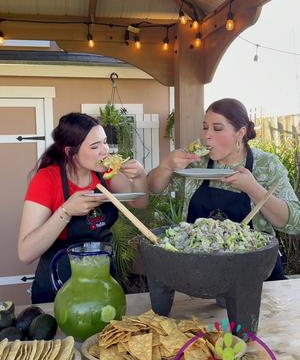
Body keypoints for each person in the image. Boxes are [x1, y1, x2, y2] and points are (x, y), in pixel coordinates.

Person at [148, 98, 300, 280]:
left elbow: (294, 223)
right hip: (200, 272)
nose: (206, 136)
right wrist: (166, 165)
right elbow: (154, 188)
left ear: (240, 132)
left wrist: (253, 189)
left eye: (217, 128)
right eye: (205, 127)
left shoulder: (266, 165)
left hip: (255, 273)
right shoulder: (196, 163)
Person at [18, 112, 148, 303]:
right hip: (58, 287)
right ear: (70, 151)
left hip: (103, 281)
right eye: (95, 146)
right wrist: (66, 211)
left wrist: (140, 176)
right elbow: (25, 253)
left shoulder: (105, 172)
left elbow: (139, 203)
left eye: (105, 142)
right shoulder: (47, 180)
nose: (105, 151)